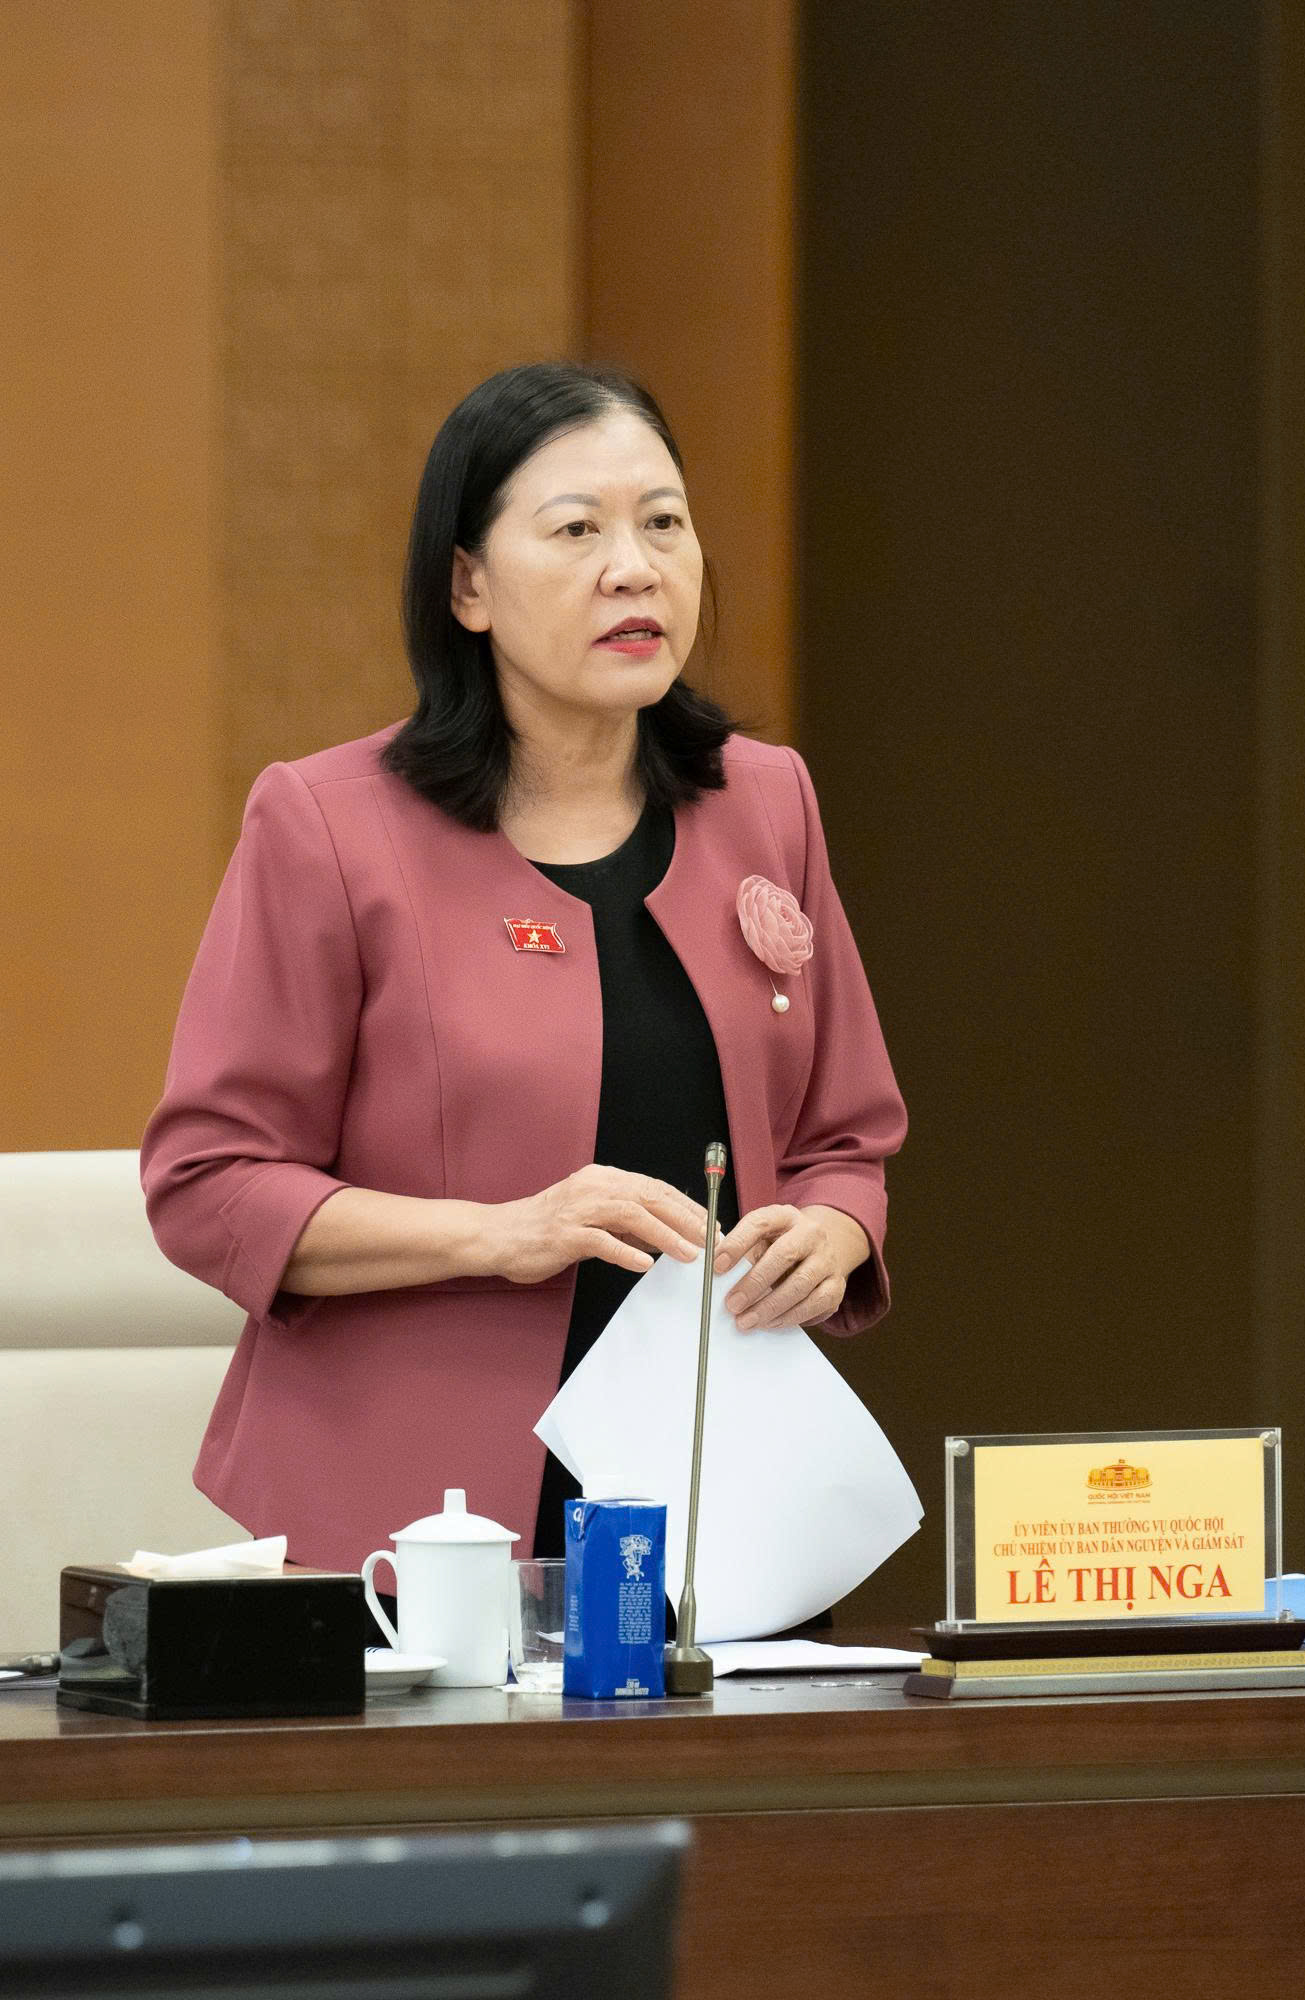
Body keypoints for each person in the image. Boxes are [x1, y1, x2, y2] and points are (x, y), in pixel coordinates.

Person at [142, 362, 906, 1571]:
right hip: (412, 1528)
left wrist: (836, 1228)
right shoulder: (328, 826)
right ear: (468, 585)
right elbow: (208, 1184)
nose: (634, 567)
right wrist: (501, 1232)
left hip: (721, 1509)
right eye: (577, 530)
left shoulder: (766, 801)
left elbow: (846, 1136)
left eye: (664, 522)